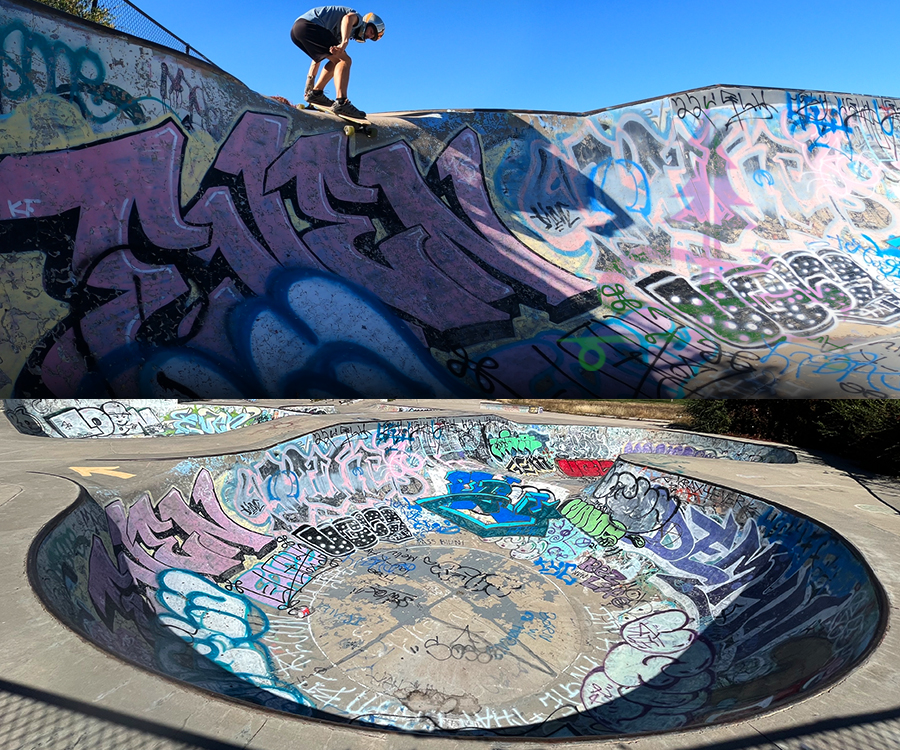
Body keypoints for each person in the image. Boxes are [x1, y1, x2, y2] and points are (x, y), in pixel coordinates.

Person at [291, 6, 384, 119]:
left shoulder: (336, 34)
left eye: (371, 37)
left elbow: (317, 59)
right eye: (371, 32)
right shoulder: (358, 19)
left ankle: (316, 94)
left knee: (336, 60)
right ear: (367, 23)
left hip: (297, 31)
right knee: (345, 60)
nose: (368, 36)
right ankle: (341, 102)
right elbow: (348, 18)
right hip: (310, 26)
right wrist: (344, 42)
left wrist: (310, 82)